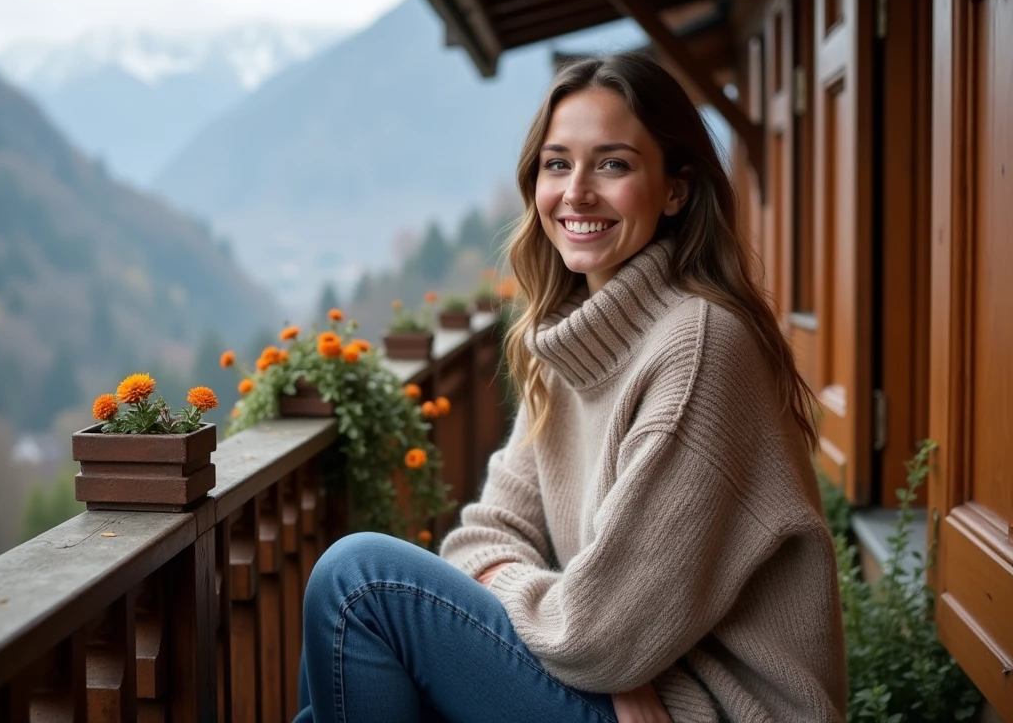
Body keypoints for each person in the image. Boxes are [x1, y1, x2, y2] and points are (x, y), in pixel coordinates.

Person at [292, 53, 847, 722]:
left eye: (612, 164)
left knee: (359, 584)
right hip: (634, 691)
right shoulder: (569, 343)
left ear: (675, 190)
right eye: (558, 164)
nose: (577, 191)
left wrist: (602, 650)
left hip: (708, 712)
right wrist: (606, 657)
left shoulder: (699, 349)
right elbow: (484, 536)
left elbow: (596, 636)